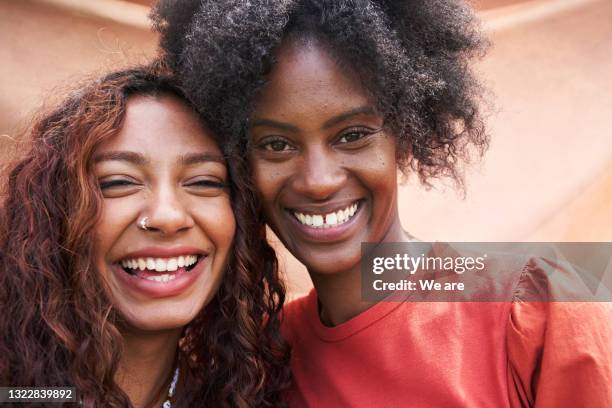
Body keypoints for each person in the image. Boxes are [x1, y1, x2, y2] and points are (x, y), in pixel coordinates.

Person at [152, 1, 612, 407]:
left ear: (406, 136)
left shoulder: (532, 311)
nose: (318, 181)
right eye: (275, 145)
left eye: (352, 135)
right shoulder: (257, 365)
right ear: (240, 162)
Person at [0, 66, 290, 407]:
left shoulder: (246, 394)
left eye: (203, 182)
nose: (167, 217)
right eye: (119, 182)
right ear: (53, 212)